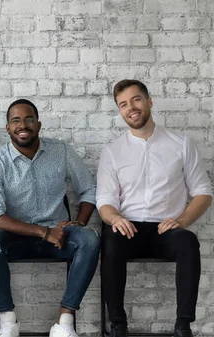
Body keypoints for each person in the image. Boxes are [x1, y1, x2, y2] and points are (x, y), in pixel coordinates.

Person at [97, 79, 212, 337]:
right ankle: (118, 325)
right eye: (123, 104)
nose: (131, 108)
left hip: (166, 228)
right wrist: (114, 218)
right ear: (120, 111)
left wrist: (182, 221)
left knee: (188, 241)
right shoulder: (113, 151)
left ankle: (183, 325)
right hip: (129, 229)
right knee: (110, 239)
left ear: (149, 101)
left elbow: (203, 192)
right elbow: (104, 202)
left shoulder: (181, 143)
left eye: (136, 100)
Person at [0, 99, 100, 337]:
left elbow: (88, 189)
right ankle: (8, 324)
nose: (22, 125)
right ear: (8, 128)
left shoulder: (61, 151)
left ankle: (64, 323)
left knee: (90, 239)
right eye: (16, 120)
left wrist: (80, 222)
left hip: (59, 237)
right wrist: (43, 232)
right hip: (15, 238)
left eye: (29, 119)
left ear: (39, 124)